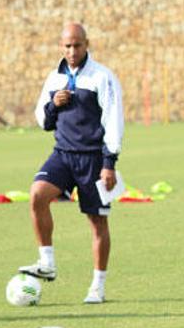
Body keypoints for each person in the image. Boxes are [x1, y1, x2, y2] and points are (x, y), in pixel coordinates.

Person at [19, 23, 124, 304]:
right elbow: (43, 120)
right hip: (63, 154)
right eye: (67, 46)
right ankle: (47, 262)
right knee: (37, 195)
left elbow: (113, 121)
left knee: (97, 222)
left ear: (87, 44)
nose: (72, 51)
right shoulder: (54, 78)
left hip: (92, 159)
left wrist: (109, 162)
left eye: (77, 45)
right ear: (61, 46)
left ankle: (97, 286)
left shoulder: (103, 77)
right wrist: (54, 103)